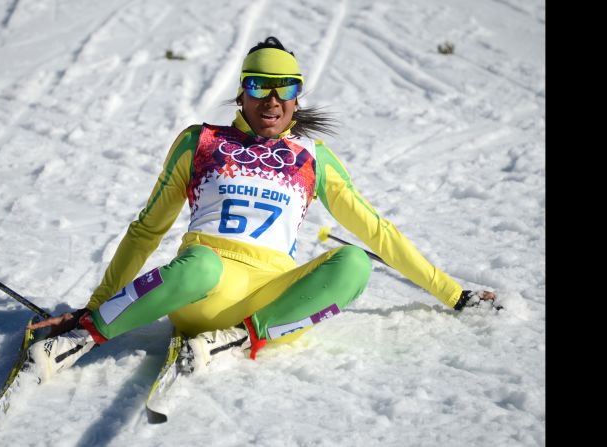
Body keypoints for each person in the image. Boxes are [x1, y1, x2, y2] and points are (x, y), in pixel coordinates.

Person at [26, 36, 497, 382]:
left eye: (285, 89)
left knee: (354, 260)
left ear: (296, 97)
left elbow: (378, 232)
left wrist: (454, 294)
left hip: (272, 302)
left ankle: (238, 338)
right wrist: (93, 305)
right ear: (242, 92)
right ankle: (81, 339)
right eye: (259, 85)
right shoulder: (202, 142)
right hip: (201, 292)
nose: (271, 99)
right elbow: (148, 230)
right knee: (201, 265)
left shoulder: (313, 158)